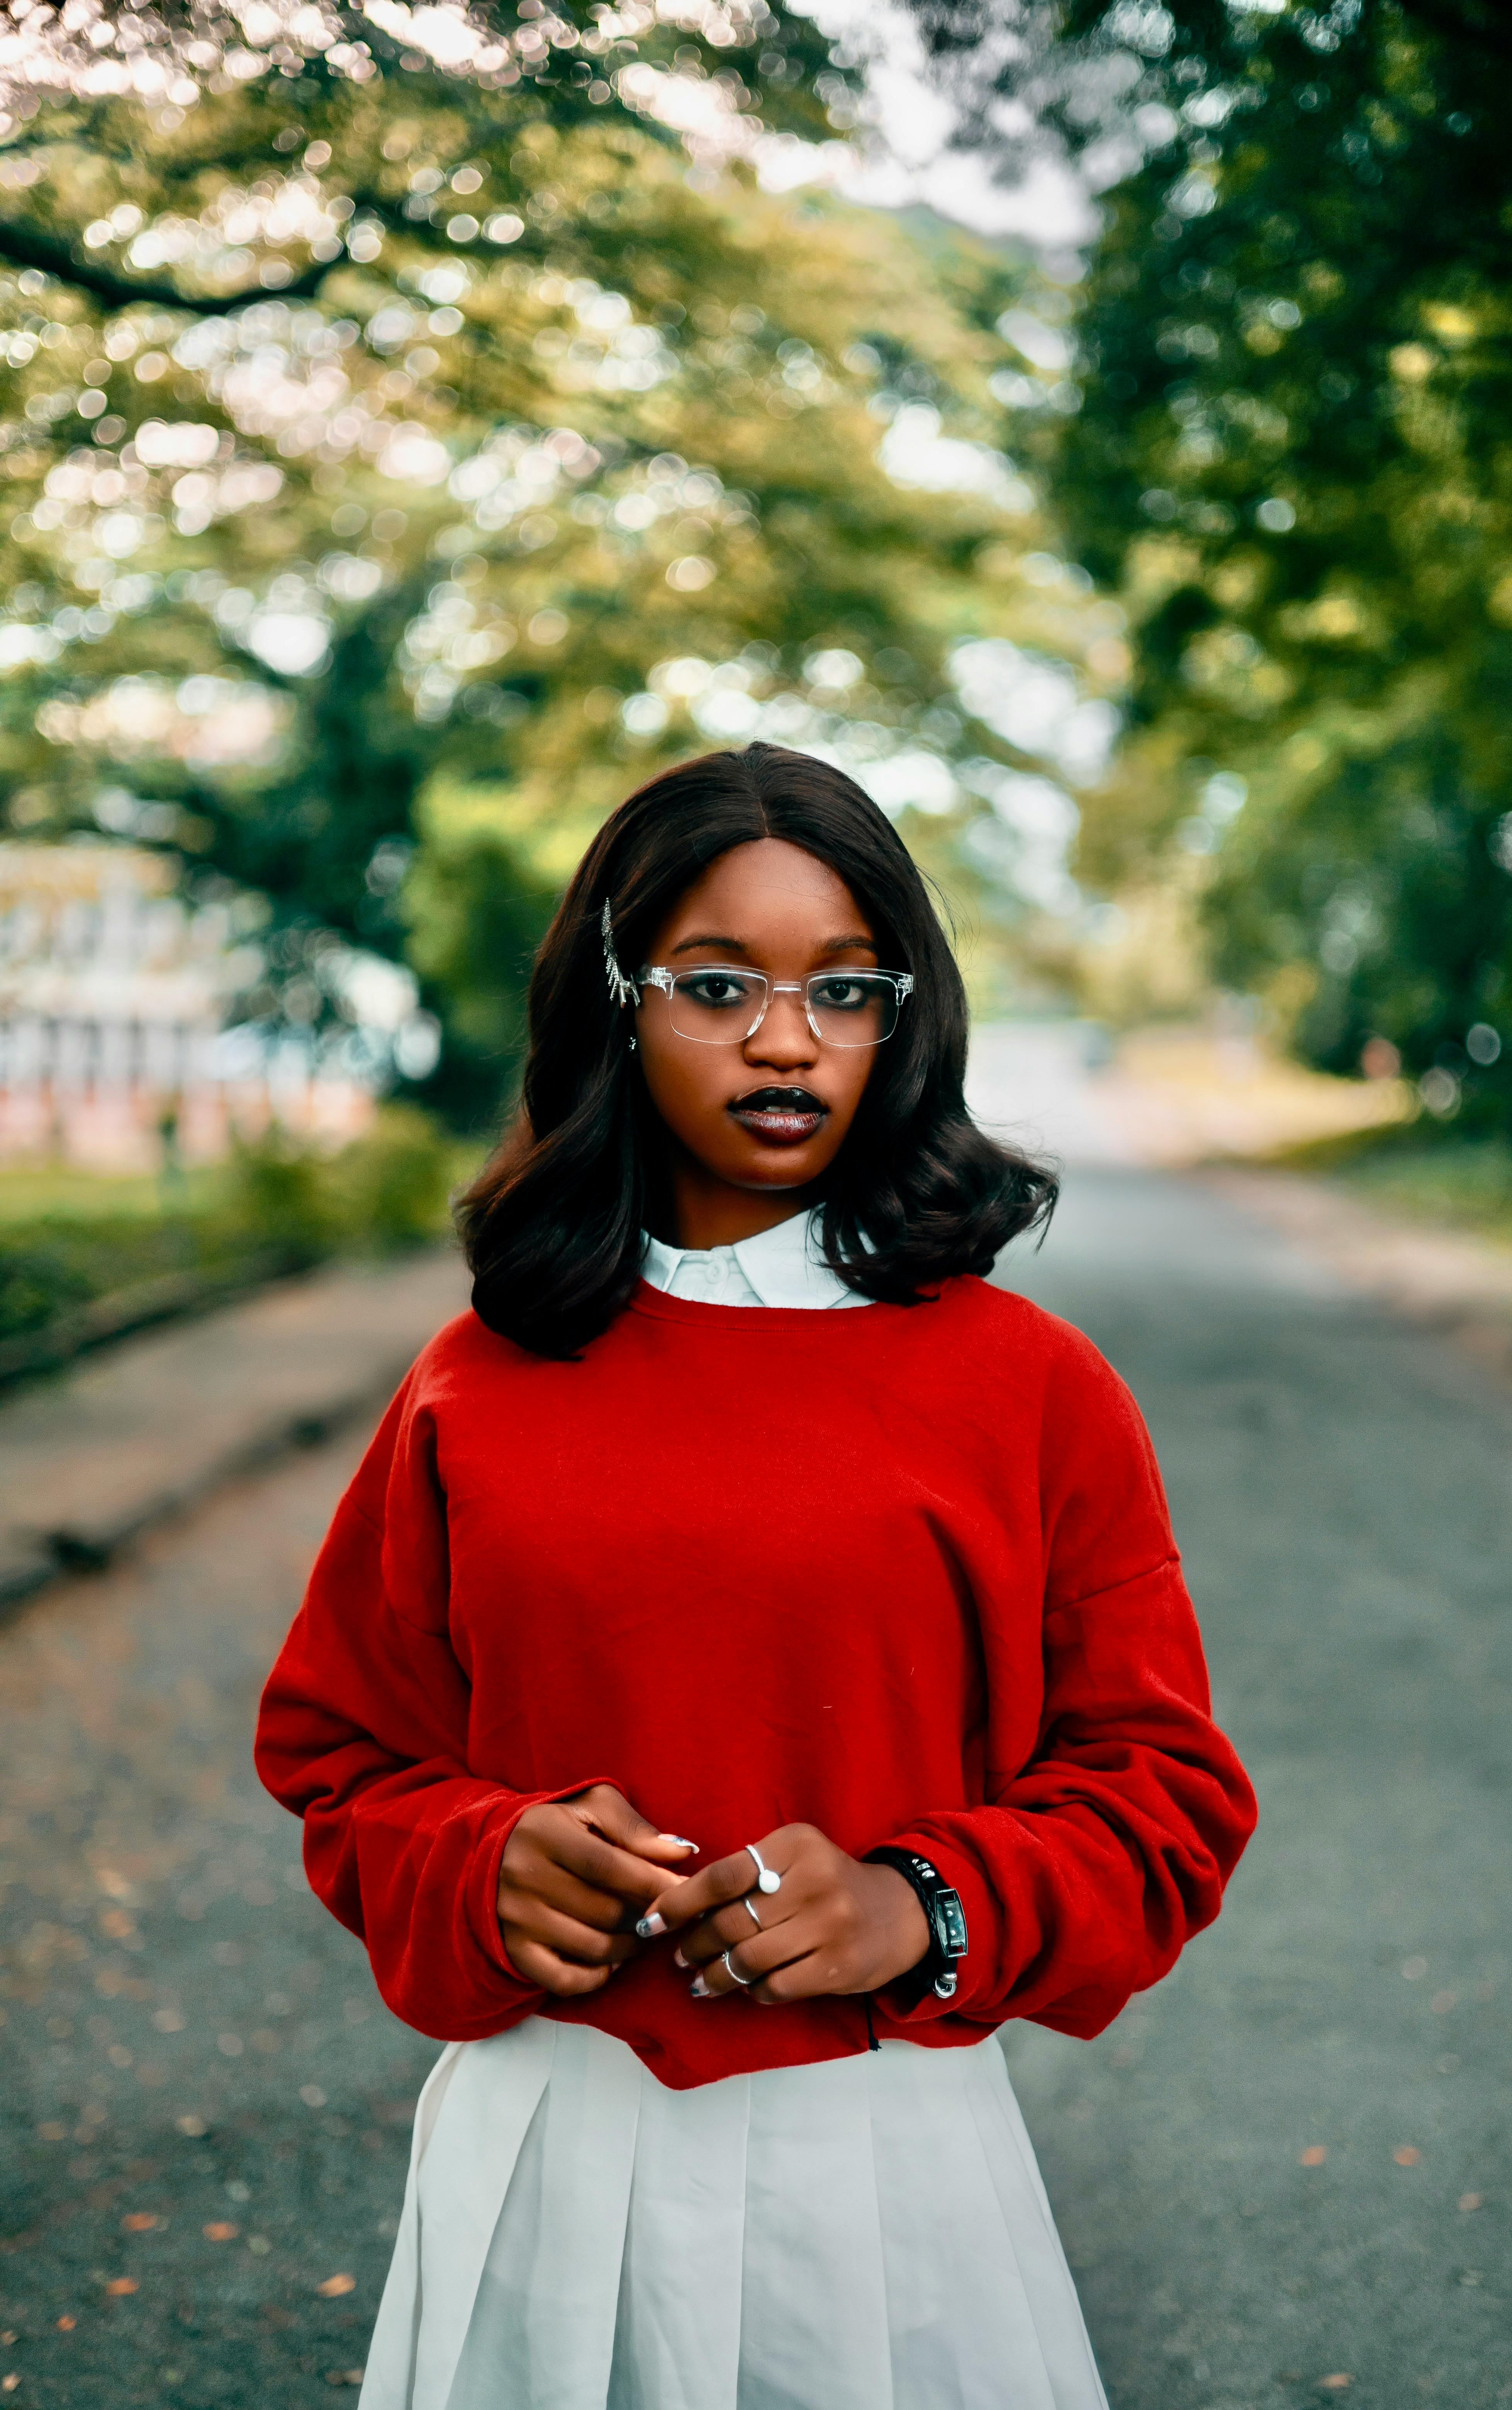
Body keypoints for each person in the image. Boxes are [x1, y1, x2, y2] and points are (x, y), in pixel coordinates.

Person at [255, 741, 1256, 2410]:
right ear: (616, 1000)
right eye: (716, 984)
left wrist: (915, 1906)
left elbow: (1162, 1792)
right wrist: (476, 1859)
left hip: (886, 2166)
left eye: (843, 989)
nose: (786, 1039)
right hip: (541, 2152)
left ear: (902, 1016)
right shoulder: (479, 1381)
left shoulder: (1028, 1389)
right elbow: (342, 1759)